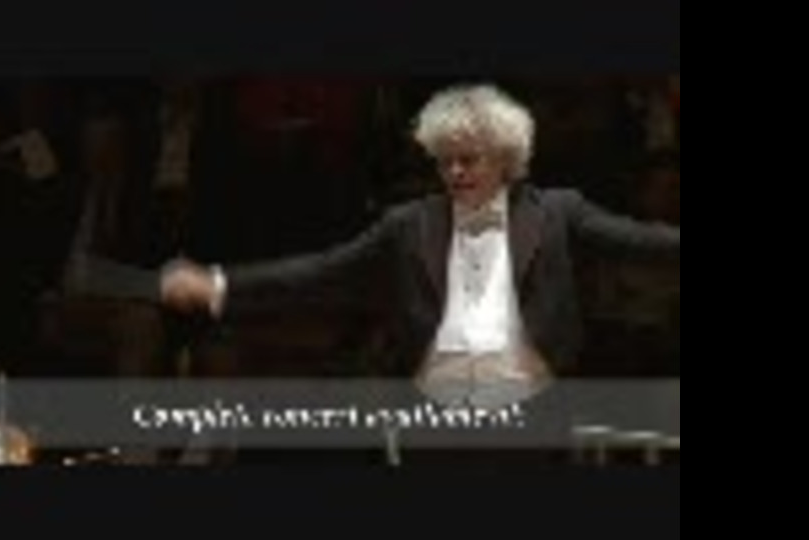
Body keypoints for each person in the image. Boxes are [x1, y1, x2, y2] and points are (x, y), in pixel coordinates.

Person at [85, 83, 680, 465]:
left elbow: (646, 243)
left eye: (470, 158)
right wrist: (219, 285)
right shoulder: (408, 226)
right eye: (446, 159)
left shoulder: (560, 213)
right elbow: (315, 274)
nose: (456, 172)